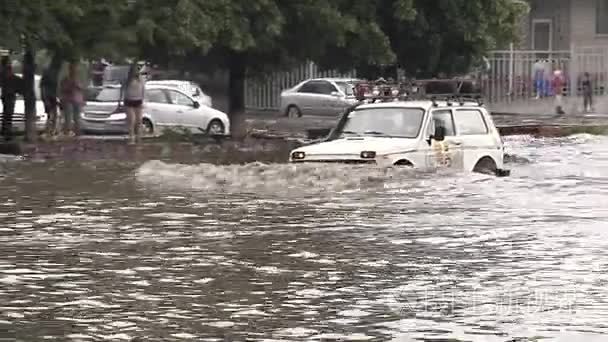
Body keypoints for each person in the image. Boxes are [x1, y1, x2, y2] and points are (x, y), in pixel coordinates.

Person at [59, 63, 85, 137]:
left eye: (75, 69)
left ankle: (77, 131)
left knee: (77, 117)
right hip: (68, 100)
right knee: (68, 116)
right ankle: (67, 131)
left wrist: (77, 85)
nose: (73, 71)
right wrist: (69, 86)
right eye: (72, 69)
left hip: (77, 100)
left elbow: (82, 88)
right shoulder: (66, 79)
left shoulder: (79, 78)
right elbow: (62, 88)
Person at [0, 61, 24, 141]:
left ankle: (6, 132)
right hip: (7, 98)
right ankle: (6, 132)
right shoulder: (6, 78)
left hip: (10, 97)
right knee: (7, 115)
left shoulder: (12, 78)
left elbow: (20, 89)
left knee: (8, 115)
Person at [122, 63, 145, 143]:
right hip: (129, 100)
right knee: (132, 120)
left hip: (138, 100)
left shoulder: (141, 79)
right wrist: (121, 100)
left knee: (139, 120)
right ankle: (131, 138)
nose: (136, 71)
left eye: (137, 69)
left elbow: (143, 90)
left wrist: (143, 100)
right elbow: (122, 90)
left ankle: (139, 137)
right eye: (135, 69)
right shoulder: (127, 79)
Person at [40, 58, 62, 139]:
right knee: (50, 115)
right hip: (48, 96)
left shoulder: (55, 72)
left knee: (55, 115)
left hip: (53, 96)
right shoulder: (48, 73)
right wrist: (45, 99)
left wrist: (58, 97)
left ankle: (52, 131)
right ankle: (48, 132)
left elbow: (56, 87)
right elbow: (43, 87)